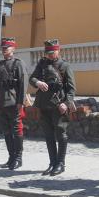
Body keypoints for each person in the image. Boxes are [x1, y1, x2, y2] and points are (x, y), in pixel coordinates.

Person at [29, 39, 76, 176]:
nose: (50, 55)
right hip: (44, 104)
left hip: (58, 105)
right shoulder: (42, 64)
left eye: (52, 52)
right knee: (48, 135)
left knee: (61, 134)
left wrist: (65, 103)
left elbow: (71, 89)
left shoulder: (64, 66)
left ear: (58, 51)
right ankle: (52, 163)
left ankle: (60, 163)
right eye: (48, 52)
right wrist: (38, 82)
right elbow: (32, 78)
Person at [0, 37, 27, 170]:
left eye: (6, 48)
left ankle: (18, 158)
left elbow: (23, 84)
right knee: (6, 131)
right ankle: (11, 157)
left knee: (16, 130)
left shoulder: (18, 64)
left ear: (13, 49)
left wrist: (21, 102)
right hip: (1, 102)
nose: (4, 50)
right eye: (3, 48)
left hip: (14, 103)